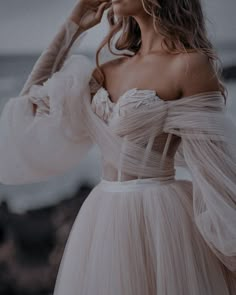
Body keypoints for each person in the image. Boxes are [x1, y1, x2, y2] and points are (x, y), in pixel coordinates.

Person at [0, 0, 235, 294]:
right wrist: (72, 26)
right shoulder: (106, 70)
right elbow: (27, 110)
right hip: (103, 217)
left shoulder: (189, 65)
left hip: (164, 223)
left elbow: (216, 171)